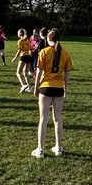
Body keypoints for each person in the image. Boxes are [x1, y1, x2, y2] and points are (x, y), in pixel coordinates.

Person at [32, 28, 73, 157]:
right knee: (58, 118)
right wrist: (66, 88)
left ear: (48, 38)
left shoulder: (43, 52)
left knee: (43, 119)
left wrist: (36, 87)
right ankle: (58, 147)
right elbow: (67, 74)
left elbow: (38, 72)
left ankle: (40, 149)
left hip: (45, 87)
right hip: (59, 88)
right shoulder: (65, 53)